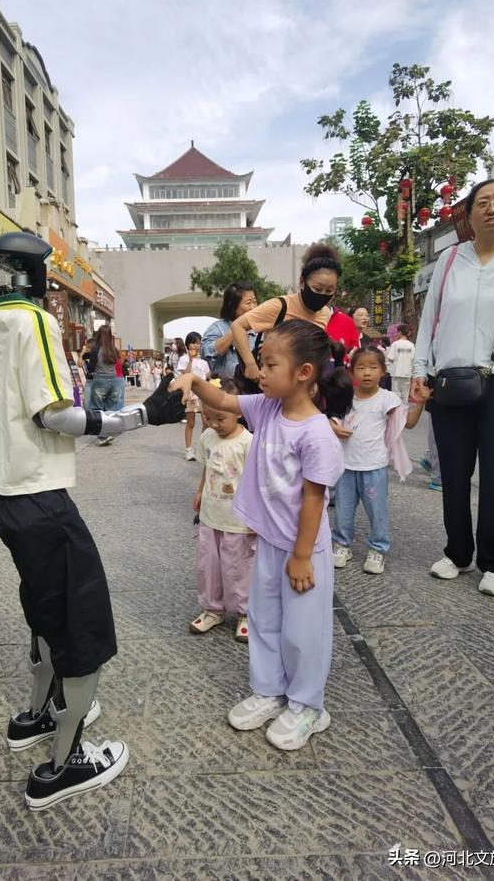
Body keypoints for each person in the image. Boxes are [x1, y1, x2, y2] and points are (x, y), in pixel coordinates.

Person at [0, 232, 185, 811]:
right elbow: (56, 415)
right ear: (41, 277)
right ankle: (63, 765)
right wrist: (141, 415)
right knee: (81, 620)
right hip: (41, 497)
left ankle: (37, 715)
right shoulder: (36, 322)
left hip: (4, 492)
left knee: (44, 605)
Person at [170, 320, 344, 752]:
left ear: (303, 372)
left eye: (269, 364)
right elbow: (223, 399)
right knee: (264, 621)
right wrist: (194, 381)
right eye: (260, 363)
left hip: (304, 551)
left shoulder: (316, 433)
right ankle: (269, 690)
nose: (259, 372)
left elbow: (314, 500)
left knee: (303, 631)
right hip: (268, 541)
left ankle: (307, 704)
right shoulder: (268, 408)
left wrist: (301, 556)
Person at [411, 177, 494, 598]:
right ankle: (458, 553)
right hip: (450, 379)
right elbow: (430, 319)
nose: (493, 208)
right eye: (483, 202)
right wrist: (420, 369)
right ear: (469, 214)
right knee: (453, 474)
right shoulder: (450, 259)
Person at [331, 347, 426, 575]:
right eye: (361, 367)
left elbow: (408, 423)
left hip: (374, 466)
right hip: (346, 466)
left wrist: (421, 402)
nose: (367, 372)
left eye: (373, 367)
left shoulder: (387, 398)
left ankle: (377, 548)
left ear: (383, 371)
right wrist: (333, 426)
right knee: (343, 509)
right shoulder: (346, 396)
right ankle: (342, 544)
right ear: (352, 371)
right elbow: (332, 417)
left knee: (377, 510)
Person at [190, 378, 255, 643]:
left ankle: (245, 613)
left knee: (238, 567)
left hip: (238, 520)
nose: (214, 424)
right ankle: (212, 609)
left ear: (238, 412)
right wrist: (199, 491)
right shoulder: (207, 437)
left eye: (220, 418)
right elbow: (207, 467)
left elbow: (255, 480)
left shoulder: (248, 442)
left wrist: (256, 515)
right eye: (208, 417)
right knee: (208, 565)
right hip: (211, 515)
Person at [227, 244, 343, 387]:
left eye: (329, 290)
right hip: (271, 387)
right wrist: (250, 365)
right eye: (318, 289)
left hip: (301, 388)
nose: (323, 295)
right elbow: (237, 326)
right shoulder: (280, 306)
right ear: (302, 282)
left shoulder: (325, 313)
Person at [200, 282, 258, 378]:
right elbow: (207, 353)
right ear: (232, 305)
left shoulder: (259, 329)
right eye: (248, 303)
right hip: (225, 385)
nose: (253, 307)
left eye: (254, 302)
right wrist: (237, 329)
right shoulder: (217, 328)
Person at [177, 331, 211, 460]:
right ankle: (188, 450)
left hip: (203, 393)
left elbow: (207, 377)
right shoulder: (183, 359)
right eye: (193, 343)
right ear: (187, 345)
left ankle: (201, 447)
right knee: (190, 423)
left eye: (198, 343)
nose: (196, 345)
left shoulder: (203, 362)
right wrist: (190, 360)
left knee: (206, 422)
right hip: (190, 393)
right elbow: (184, 374)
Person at [89, 325, 124, 446]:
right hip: (114, 381)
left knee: (97, 409)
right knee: (110, 409)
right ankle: (109, 432)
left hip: (100, 381)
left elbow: (91, 368)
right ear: (110, 335)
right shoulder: (114, 349)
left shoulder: (96, 349)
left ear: (99, 334)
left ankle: (102, 436)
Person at [387, 325, 415, 405]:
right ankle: (404, 410)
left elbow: (390, 358)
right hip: (407, 373)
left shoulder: (395, 344)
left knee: (396, 394)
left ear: (400, 332)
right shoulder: (411, 345)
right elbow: (413, 359)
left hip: (396, 372)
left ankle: (397, 410)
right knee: (405, 395)